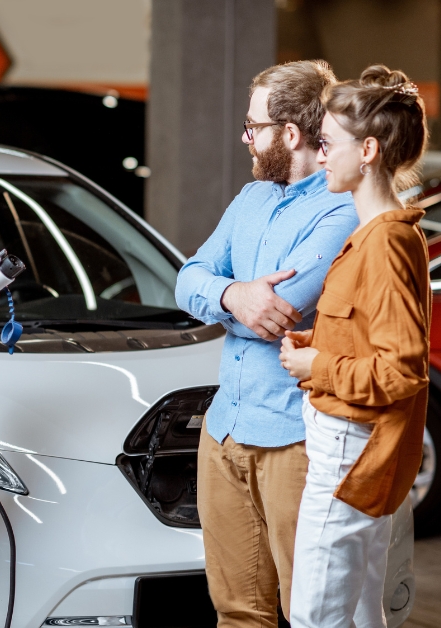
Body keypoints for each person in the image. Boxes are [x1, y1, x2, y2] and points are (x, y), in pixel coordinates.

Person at [175, 60, 359, 627]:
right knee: (236, 611)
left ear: (291, 134)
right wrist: (234, 296)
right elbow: (187, 278)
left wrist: (223, 297)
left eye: (253, 127)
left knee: (306, 611)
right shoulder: (252, 197)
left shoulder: (341, 208)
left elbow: (284, 311)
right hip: (224, 427)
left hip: (293, 439)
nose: (245, 138)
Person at [279, 65, 431, 628]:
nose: (321, 157)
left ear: (366, 149)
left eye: (328, 144)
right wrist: (320, 341)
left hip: (348, 448)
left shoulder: (386, 241)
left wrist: (317, 362)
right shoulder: (379, 233)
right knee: (361, 611)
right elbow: (372, 336)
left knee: (317, 615)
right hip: (350, 445)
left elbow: (401, 371)